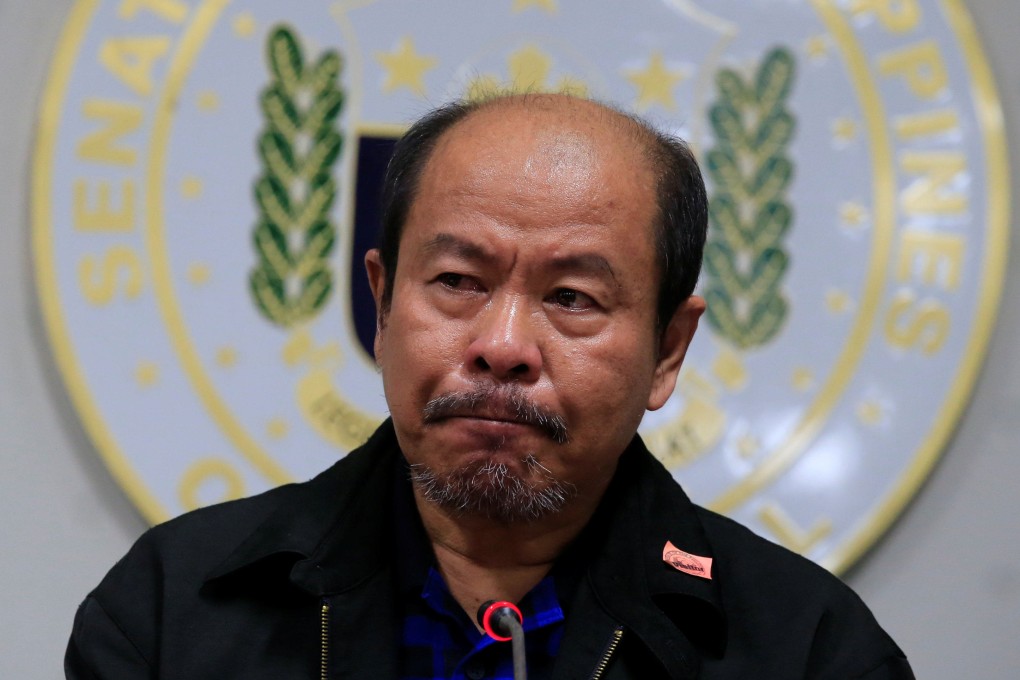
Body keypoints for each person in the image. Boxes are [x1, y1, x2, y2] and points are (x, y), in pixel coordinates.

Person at [65, 93, 914, 679]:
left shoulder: (809, 650)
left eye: (573, 298)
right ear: (382, 304)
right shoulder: (173, 611)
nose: (503, 346)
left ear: (667, 349)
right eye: (458, 281)